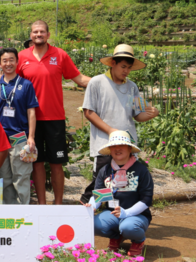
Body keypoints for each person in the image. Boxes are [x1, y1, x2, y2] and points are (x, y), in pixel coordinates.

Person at [17, 20, 91, 205]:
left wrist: (106, 80)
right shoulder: (22, 57)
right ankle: (42, 204)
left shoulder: (60, 55)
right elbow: (11, 81)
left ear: (48, 34)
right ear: (31, 35)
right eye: (35, 32)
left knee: (57, 163)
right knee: (37, 162)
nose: (38, 34)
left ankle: (58, 204)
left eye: (42, 31)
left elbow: (80, 79)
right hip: (31, 120)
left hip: (54, 118)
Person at [80, 45, 159, 203]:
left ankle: (117, 215)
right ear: (112, 64)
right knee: (100, 182)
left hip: (127, 143)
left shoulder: (131, 87)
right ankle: (84, 211)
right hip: (105, 143)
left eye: (129, 68)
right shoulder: (97, 82)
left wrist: (151, 114)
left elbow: (137, 115)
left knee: (123, 184)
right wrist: (111, 131)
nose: (126, 71)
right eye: (123, 66)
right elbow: (88, 112)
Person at [83, 131, 153, 257]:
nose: (117, 149)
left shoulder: (141, 170)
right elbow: (100, 194)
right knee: (93, 223)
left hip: (137, 215)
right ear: (109, 149)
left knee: (129, 227)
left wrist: (127, 213)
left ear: (129, 148)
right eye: (113, 146)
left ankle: (138, 241)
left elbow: (146, 199)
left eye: (121, 145)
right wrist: (92, 206)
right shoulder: (105, 170)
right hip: (112, 213)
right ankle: (116, 237)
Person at [0, 47, 38, 205]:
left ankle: (24, 212)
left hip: (19, 138)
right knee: (4, 179)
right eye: (4, 60)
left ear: (17, 62)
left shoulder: (26, 85)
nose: (8, 63)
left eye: (11, 60)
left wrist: (31, 137)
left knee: (21, 177)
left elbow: (31, 112)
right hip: (0, 140)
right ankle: (9, 213)